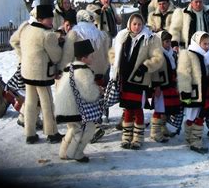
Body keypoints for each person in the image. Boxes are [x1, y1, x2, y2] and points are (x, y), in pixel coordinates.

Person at [10, 4, 63, 144]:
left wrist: (23, 55)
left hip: (27, 72)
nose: (51, 21)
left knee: (30, 103)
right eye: (48, 19)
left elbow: (13, 41)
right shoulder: (47, 35)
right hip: (42, 73)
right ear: (40, 19)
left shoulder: (25, 28)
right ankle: (52, 133)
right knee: (47, 104)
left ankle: (30, 133)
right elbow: (56, 56)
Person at [110, 13, 163, 150]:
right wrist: (116, 65)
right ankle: (126, 137)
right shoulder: (123, 37)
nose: (137, 27)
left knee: (138, 109)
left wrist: (145, 66)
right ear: (129, 24)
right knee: (128, 108)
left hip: (140, 79)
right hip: (125, 79)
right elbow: (113, 53)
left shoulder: (150, 38)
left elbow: (158, 58)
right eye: (134, 24)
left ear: (143, 24)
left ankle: (138, 138)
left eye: (139, 24)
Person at [54, 40, 103, 163]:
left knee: (73, 128)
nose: (93, 58)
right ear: (84, 58)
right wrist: (99, 91)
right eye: (91, 56)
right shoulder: (84, 71)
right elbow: (89, 94)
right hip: (74, 109)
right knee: (89, 128)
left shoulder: (69, 68)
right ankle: (76, 153)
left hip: (63, 108)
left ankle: (64, 151)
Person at [177, 31, 209, 154]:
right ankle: (191, 138)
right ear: (196, 43)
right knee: (192, 115)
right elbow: (184, 74)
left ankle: (195, 140)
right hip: (194, 92)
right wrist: (185, 91)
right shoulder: (188, 54)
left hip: (206, 90)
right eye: (204, 43)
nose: (207, 46)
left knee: (201, 115)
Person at [150, 31, 181, 142]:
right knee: (159, 109)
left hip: (170, 85)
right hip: (161, 86)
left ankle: (163, 128)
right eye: (166, 42)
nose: (168, 44)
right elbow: (154, 72)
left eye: (169, 42)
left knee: (166, 109)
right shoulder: (157, 54)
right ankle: (155, 132)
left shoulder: (171, 53)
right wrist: (156, 86)